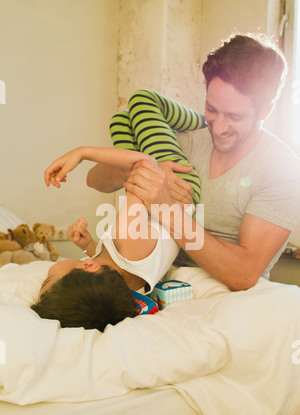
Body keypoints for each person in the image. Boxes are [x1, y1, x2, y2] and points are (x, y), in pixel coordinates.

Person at [87, 33, 300, 292]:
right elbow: (95, 179)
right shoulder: (186, 141)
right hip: (159, 286)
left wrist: (167, 210)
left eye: (234, 116)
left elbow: (243, 274)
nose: (218, 127)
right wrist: (143, 170)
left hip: (224, 298)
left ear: (265, 110)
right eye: (211, 109)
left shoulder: (282, 168)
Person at [32, 95, 206, 331]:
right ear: (88, 268)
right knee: (143, 101)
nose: (45, 277)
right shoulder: (128, 239)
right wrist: (82, 153)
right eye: (48, 280)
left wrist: (88, 245)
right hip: (176, 182)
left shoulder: (127, 285)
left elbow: (108, 258)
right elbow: (144, 165)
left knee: (121, 121)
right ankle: (207, 122)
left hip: (161, 188)